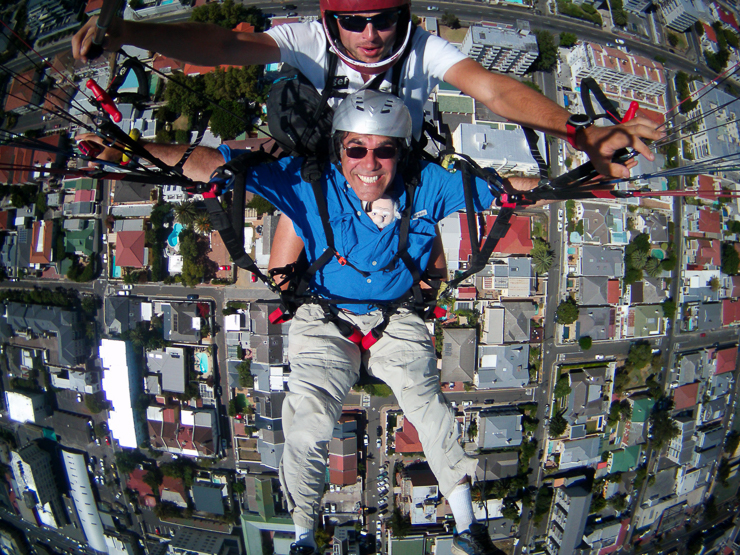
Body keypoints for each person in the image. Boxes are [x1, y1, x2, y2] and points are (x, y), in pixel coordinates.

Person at [86, 89, 542, 555]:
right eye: (357, 149)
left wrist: (576, 178)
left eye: (385, 150)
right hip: (326, 315)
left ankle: (467, 524)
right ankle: (304, 532)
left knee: (430, 409)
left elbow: (503, 188)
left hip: (396, 316)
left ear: (400, 153)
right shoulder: (307, 182)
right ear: (338, 148)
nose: (370, 163)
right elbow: (211, 164)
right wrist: (128, 151)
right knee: (308, 422)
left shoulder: (428, 185)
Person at [72, 0, 662, 278]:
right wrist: (128, 31)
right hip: (324, 158)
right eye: (354, 21)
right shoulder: (308, 39)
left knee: (423, 251)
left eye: (384, 18)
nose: (372, 35)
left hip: (392, 158)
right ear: (331, 20)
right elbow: (227, 47)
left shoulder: (424, 50)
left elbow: (492, 89)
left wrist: (581, 133)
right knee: (283, 231)